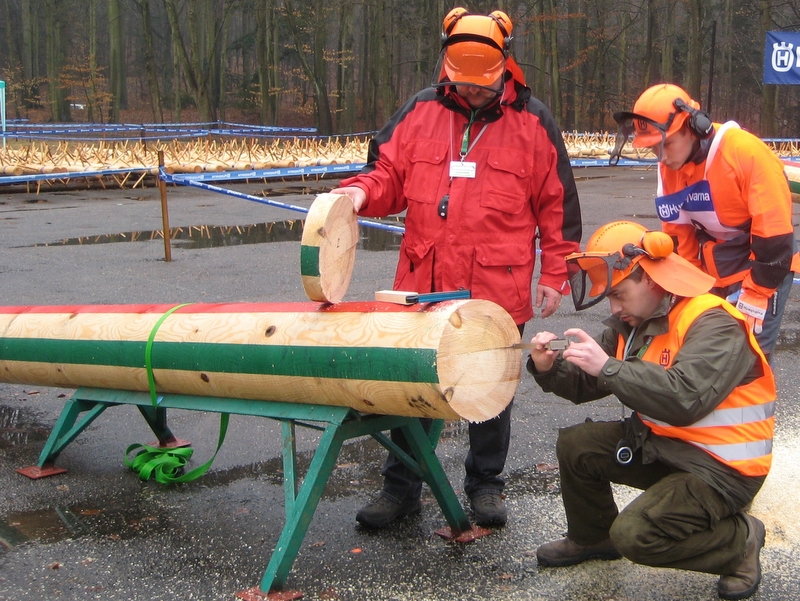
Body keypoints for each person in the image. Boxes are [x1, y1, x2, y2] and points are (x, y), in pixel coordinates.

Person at [331, 7, 582, 528]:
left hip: (497, 284)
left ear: (504, 70)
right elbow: (385, 175)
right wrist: (355, 195)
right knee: (412, 387)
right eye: (462, 85)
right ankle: (401, 488)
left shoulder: (534, 122)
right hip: (422, 284)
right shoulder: (420, 110)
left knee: (490, 389)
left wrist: (556, 274)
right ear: (447, 68)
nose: (470, 94)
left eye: (481, 88)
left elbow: (557, 204)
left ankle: (486, 485)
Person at [526, 220, 775, 600]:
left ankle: (740, 542)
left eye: (620, 295)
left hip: (721, 470)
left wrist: (607, 366)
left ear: (652, 279)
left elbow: (685, 399)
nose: (613, 307)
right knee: (579, 445)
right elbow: (586, 384)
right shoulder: (635, 322)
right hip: (665, 447)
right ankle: (592, 537)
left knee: (635, 535)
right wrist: (549, 368)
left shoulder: (716, 323)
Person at [610, 83, 799, 362]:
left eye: (667, 145)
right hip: (716, 265)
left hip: (764, 264)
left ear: (694, 127)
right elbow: (678, 235)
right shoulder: (669, 167)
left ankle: (751, 403)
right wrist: (691, 288)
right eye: (653, 149)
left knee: (748, 355)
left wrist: (757, 292)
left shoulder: (745, 153)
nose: (661, 157)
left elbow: (774, 235)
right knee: (706, 347)